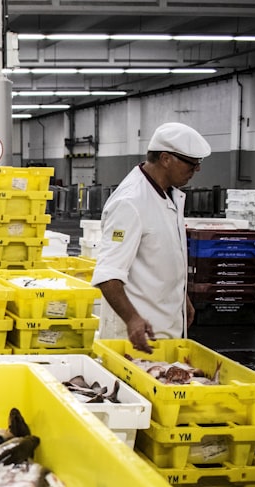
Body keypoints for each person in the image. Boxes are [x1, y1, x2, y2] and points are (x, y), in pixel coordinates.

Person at [90, 122, 211, 353]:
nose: (196, 170)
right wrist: (132, 319)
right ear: (166, 158)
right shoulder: (130, 202)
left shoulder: (171, 195)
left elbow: (161, 257)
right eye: (192, 163)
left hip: (164, 327)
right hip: (135, 336)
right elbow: (107, 275)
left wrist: (181, 297)